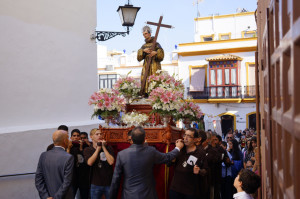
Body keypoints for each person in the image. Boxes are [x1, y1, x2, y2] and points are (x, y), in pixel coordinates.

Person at [109, 126, 184, 199]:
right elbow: (168, 157)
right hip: (148, 194)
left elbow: (115, 180)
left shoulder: (122, 154)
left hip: (129, 195)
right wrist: (178, 148)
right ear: (145, 139)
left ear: (131, 139)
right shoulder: (151, 151)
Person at [169, 128, 208, 199]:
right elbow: (168, 164)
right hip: (175, 189)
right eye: (185, 135)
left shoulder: (200, 153)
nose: (185, 138)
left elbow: (205, 171)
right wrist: (174, 155)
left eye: (189, 136)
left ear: (195, 139)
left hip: (190, 191)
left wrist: (199, 171)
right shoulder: (180, 149)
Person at [35, 130, 74, 199]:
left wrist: (45, 196)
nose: (69, 140)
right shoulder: (68, 157)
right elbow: (67, 181)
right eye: (68, 138)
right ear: (65, 141)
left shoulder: (44, 155)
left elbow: (38, 179)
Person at [83, 128, 115, 199]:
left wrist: (104, 147)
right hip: (95, 184)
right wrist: (98, 149)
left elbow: (111, 162)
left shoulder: (108, 148)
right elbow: (90, 163)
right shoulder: (88, 149)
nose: (99, 136)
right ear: (91, 137)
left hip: (108, 183)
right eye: (97, 134)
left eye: (101, 134)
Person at [137, 25, 164, 94]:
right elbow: (139, 58)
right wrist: (143, 51)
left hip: (154, 65)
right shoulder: (143, 46)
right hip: (146, 66)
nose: (144, 35)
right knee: (145, 79)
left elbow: (161, 54)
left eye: (146, 34)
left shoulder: (156, 44)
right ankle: (145, 92)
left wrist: (156, 52)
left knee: (155, 79)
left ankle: (155, 93)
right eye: (143, 34)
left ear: (149, 33)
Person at [68, 129, 90, 199]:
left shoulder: (85, 146)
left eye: (78, 136)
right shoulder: (69, 147)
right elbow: (66, 161)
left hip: (83, 177)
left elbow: (86, 160)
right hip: (73, 177)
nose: (76, 137)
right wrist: (68, 148)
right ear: (71, 138)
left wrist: (81, 148)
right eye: (74, 136)